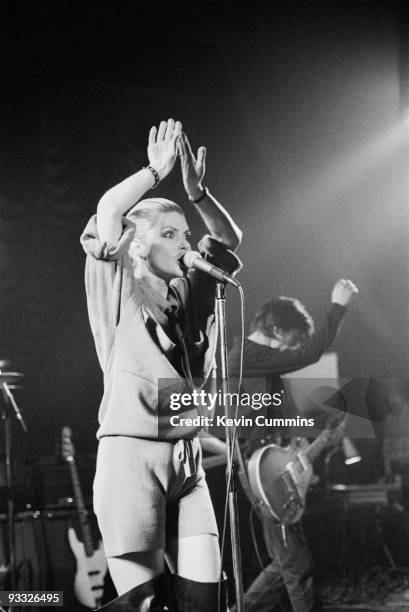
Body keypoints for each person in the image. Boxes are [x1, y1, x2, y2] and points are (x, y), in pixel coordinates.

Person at [80, 119, 242, 611]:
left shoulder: (189, 296)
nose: (185, 244)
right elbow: (109, 210)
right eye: (170, 235)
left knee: (203, 601)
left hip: (186, 461)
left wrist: (199, 194)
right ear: (139, 244)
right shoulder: (117, 286)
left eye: (185, 234)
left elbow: (229, 239)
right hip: (131, 459)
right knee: (146, 606)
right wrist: (156, 171)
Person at [228, 280, 358, 612]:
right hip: (259, 471)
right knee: (297, 565)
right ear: (274, 328)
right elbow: (312, 352)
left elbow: (273, 415)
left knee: (284, 561)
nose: (293, 349)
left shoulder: (258, 361)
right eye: (292, 339)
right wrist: (338, 305)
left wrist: (305, 441)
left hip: (270, 462)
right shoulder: (248, 355)